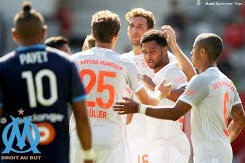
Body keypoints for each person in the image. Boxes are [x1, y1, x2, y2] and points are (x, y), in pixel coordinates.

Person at [0, 2, 93, 163]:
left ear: (14, 34)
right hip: (55, 156)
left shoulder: (0, 68)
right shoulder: (65, 64)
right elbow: (82, 116)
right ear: (44, 32)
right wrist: (88, 155)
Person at [114, 33, 245, 163]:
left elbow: (175, 112)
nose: (190, 53)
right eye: (145, 52)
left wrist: (138, 108)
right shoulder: (227, 82)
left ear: (202, 52)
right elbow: (240, 120)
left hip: (204, 154)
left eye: (193, 49)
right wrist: (223, 141)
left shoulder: (200, 79)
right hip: (222, 152)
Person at [69, 10, 172, 163]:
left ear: (93, 34)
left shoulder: (74, 60)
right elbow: (149, 102)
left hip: (80, 137)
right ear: (116, 35)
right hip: (111, 138)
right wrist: (160, 93)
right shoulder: (125, 64)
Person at [122, 8, 195, 162]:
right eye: (131, 25)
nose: (135, 30)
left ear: (150, 30)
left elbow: (191, 81)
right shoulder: (122, 61)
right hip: (131, 137)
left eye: (140, 26)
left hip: (160, 139)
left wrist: (174, 46)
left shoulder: (165, 59)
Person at [139, 29, 190, 162]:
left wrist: (153, 87)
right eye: (145, 52)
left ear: (165, 49)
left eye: (153, 51)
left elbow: (187, 96)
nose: (148, 56)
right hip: (161, 145)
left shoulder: (171, 71)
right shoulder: (159, 74)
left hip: (169, 145)